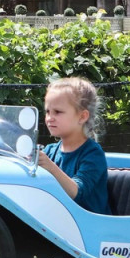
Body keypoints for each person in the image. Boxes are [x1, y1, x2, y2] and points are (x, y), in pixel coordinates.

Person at [37, 77, 111, 214]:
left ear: (82, 117)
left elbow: (77, 192)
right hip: (59, 224)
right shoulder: (50, 151)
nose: (49, 118)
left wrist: (50, 167)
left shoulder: (93, 153)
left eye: (58, 112)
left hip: (91, 227)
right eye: (47, 111)